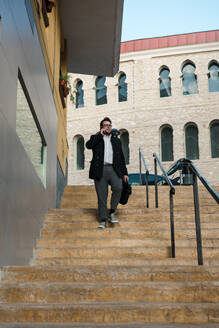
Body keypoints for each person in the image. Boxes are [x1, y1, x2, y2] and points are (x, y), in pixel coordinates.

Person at [86, 117, 129, 228]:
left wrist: (125, 173)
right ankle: (103, 220)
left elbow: (121, 157)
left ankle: (112, 212)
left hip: (114, 169)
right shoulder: (96, 138)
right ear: (101, 127)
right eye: (106, 125)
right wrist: (99, 135)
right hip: (100, 170)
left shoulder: (116, 140)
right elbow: (88, 145)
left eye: (110, 125)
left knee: (118, 188)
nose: (108, 127)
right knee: (102, 196)